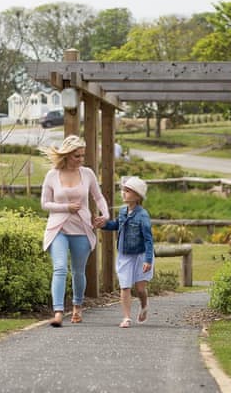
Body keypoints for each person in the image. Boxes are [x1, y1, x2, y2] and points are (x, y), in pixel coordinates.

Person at [40, 135, 110, 327]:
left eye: (82, 156)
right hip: (58, 229)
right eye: (76, 156)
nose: (80, 159)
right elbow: (44, 204)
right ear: (67, 155)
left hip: (82, 229)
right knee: (60, 268)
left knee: (78, 272)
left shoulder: (87, 174)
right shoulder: (52, 175)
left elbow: (99, 197)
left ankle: (77, 307)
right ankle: (58, 312)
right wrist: (65, 207)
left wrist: (105, 215)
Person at [95, 176, 154, 328]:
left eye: (127, 191)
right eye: (123, 190)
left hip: (141, 255)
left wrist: (148, 260)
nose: (123, 193)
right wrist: (104, 224)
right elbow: (116, 225)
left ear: (137, 196)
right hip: (124, 255)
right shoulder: (122, 212)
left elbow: (148, 239)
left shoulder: (143, 215)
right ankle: (127, 317)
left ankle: (144, 305)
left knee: (140, 288)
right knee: (125, 286)